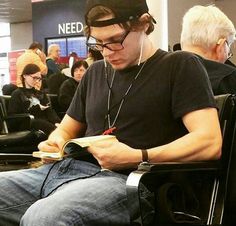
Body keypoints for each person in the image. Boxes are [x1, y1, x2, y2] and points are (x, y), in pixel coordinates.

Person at [0, 0, 222, 225]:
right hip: (64, 171)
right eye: (99, 43)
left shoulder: (180, 65)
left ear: (144, 24)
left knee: (44, 217)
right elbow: (66, 129)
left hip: (130, 180)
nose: (106, 52)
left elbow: (209, 142)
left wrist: (137, 156)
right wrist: (55, 142)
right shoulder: (95, 73)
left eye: (115, 41)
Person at [180, 5, 236, 95]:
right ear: (221, 46)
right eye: (228, 48)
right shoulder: (228, 79)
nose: (228, 56)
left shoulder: (161, 73)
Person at [8, 64, 61, 136]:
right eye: (34, 78)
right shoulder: (17, 94)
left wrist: (58, 123)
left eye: (39, 78)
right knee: (39, 122)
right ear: (25, 76)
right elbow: (13, 116)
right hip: (26, 122)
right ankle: (58, 133)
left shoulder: (40, 93)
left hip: (42, 123)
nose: (36, 81)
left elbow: (49, 111)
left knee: (60, 125)